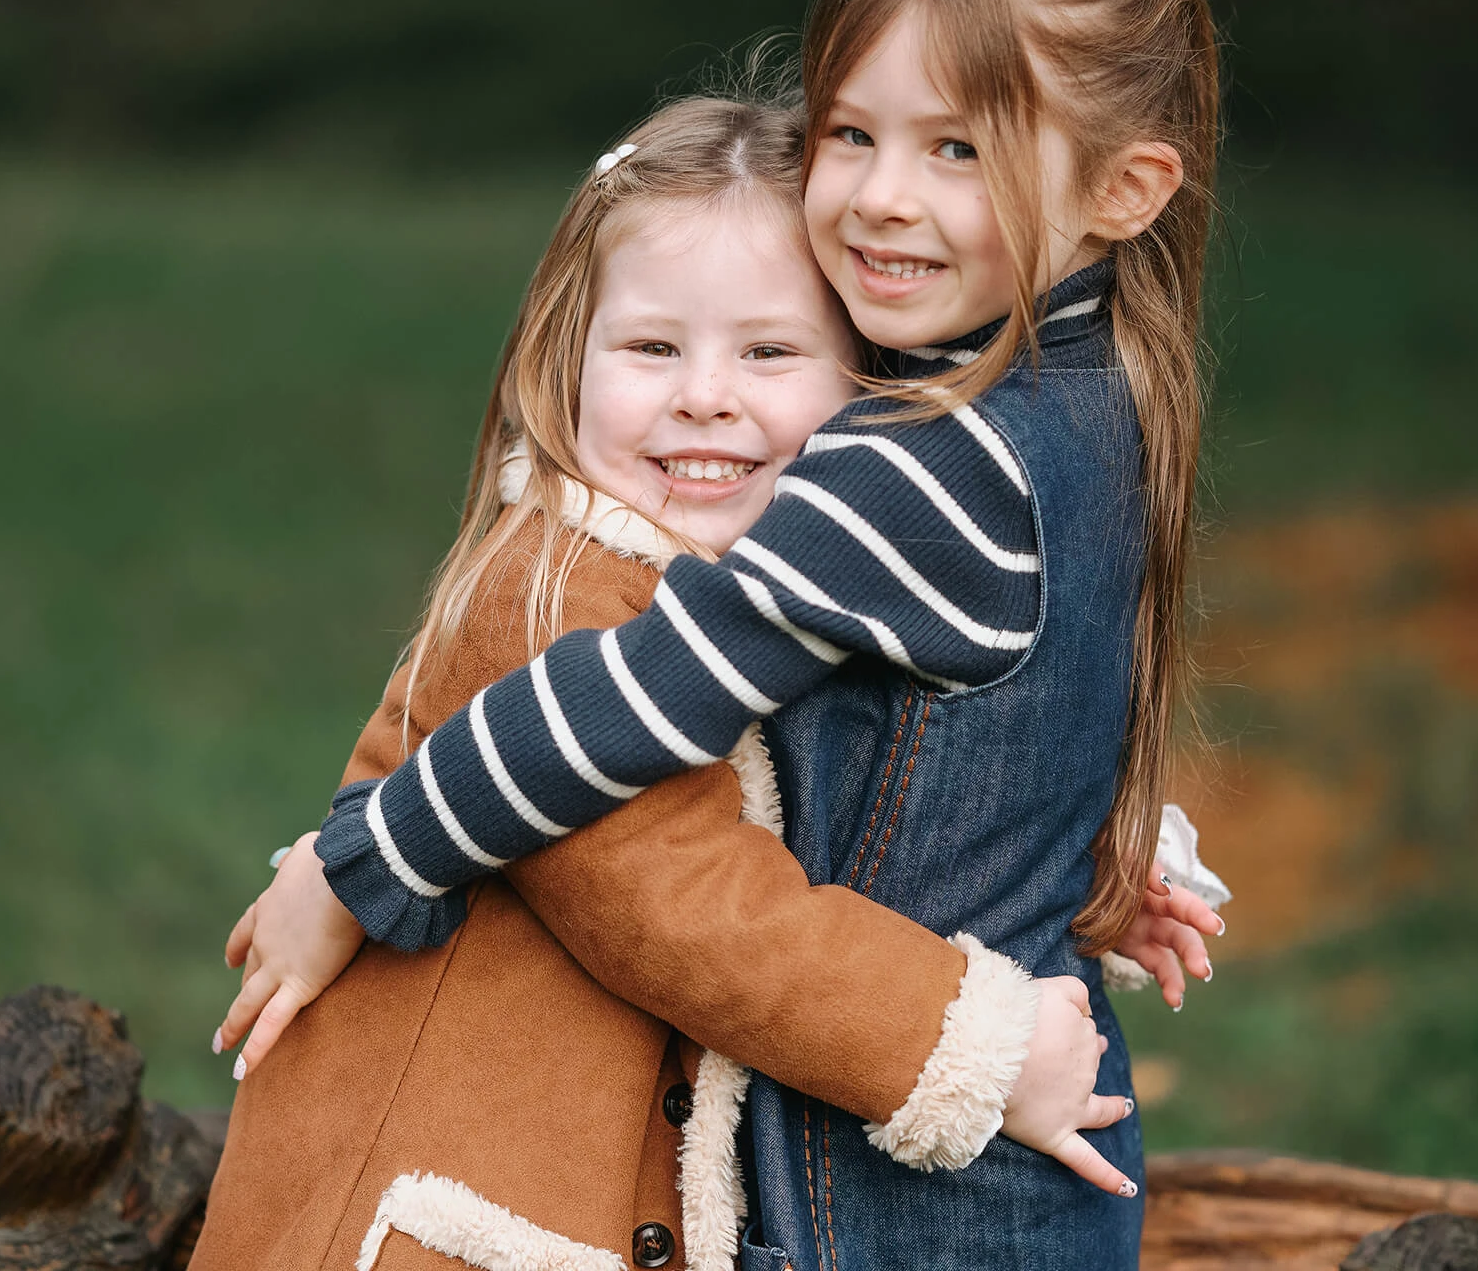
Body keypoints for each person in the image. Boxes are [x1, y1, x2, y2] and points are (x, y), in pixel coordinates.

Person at [198, 91, 1220, 1271]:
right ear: (562, 356)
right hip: (441, 1218)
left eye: (771, 350)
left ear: (868, 394)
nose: (704, 394)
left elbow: (880, 782)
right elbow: (691, 912)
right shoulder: (549, 591)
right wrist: (975, 1048)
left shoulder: (776, 599)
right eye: (650, 347)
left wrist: (1072, 848)